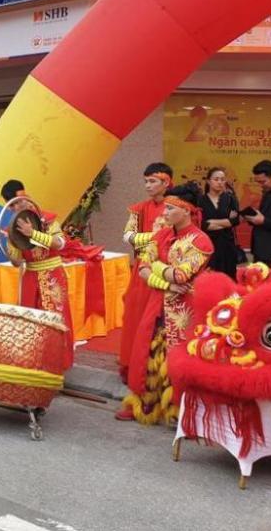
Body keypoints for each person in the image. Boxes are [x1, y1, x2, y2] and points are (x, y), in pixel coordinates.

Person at [117, 182, 213, 424]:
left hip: (184, 310)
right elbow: (143, 269)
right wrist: (166, 282)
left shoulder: (200, 242)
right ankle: (143, 402)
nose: (164, 213)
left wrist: (158, 269)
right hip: (158, 301)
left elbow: (181, 275)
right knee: (147, 352)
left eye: (170, 208)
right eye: (166, 208)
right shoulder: (161, 235)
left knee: (180, 356)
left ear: (187, 211)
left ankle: (181, 410)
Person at [1, 179, 74, 369]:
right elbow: (17, 262)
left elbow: (60, 244)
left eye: (20, 200)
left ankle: (57, 366)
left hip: (52, 275)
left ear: (27, 196)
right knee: (30, 320)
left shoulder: (47, 219)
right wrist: (12, 246)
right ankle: (33, 366)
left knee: (55, 319)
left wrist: (32, 233)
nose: (18, 206)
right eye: (13, 205)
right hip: (31, 276)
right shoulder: (12, 229)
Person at [118, 162, 173, 382]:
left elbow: (166, 236)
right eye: (146, 181)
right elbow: (127, 236)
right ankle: (132, 364)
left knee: (160, 319)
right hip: (141, 270)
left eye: (152, 181)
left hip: (165, 270)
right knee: (134, 314)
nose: (147, 186)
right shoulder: (139, 208)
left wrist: (142, 239)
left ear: (166, 182)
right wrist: (153, 237)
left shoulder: (175, 207)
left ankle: (156, 367)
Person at [198, 167, 240, 279]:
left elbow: (235, 221)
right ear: (208, 181)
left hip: (227, 244)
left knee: (229, 277)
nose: (220, 182)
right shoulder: (200, 200)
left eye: (222, 179)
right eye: (216, 179)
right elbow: (202, 224)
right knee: (210, 277)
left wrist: (212, 222)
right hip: (208, 244)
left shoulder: (230, 199)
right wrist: (226, 222)